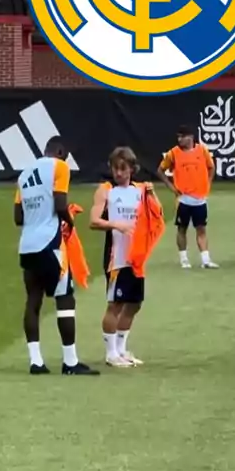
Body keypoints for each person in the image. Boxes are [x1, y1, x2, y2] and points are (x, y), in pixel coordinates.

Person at [15, 136, 98, 376]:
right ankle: (70, 362)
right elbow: (61, 204)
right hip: (50, 244)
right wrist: (69, 223)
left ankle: (35, 361)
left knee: (33, 300)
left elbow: (18, 218)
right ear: (61, 151)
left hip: (27, 246)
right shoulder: (59, 167)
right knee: (65, 298)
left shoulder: (24, 175)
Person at [91, 147, 153, 368]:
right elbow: (94, 220)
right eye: (115, 168)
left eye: (122, 168)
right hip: (116, 256)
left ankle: (121, 349)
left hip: (136, 257)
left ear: (132, 169)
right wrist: (117, 224)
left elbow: (154, 217)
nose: (118, 173)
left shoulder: (141, 190)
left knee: (134, 303)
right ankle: (110, 353)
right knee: (115, 304)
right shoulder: (106, 190)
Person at [158, 125, 217, 269]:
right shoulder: (174, 153)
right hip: (183, 199)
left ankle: (205, 260)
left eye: (182, 137)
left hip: (200, 199)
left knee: (201, 229)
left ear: (190, 137)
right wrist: (172, 187)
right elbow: (160, 170)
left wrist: (207, 184)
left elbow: (211, 167)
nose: (179, 140)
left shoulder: (202, 150)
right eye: (178, 137)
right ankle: (184, 259)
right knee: (182, 229)